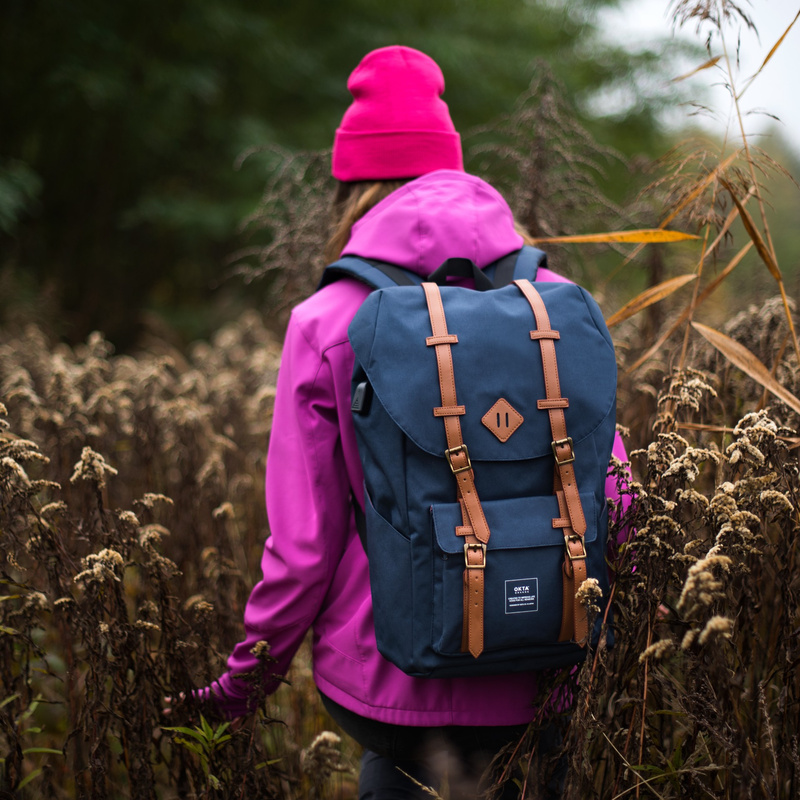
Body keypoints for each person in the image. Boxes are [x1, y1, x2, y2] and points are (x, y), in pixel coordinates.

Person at [200, 45, 630, 799]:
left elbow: (302, 551)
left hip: (389, 684)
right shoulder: (555, 305)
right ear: (455, 168)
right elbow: (612, 493)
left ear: (352, 185)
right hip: (548, 667)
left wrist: (242, 688)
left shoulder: (327, 319)